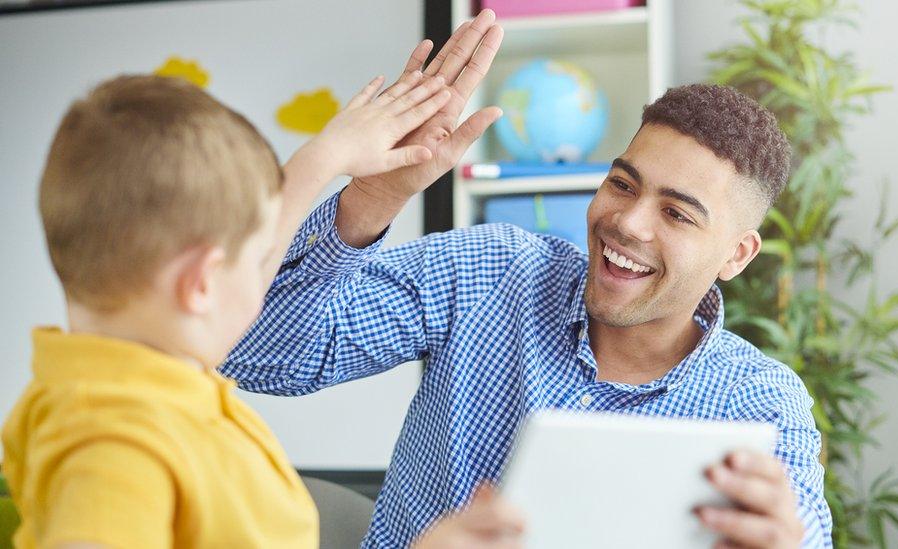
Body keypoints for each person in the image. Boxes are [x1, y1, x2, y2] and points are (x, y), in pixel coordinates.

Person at [224, 9, 834, 547]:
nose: (626, 223)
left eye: (676, 213)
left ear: (736, 254)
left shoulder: (759, 406)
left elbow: (801, 533)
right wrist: (370, 199)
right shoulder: (493, 272)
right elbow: (256, 355)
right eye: (622, 184)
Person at [1, 67, 524, 548]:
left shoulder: (119, 377)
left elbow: (245, 235)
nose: (270, 273)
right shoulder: (116, 444)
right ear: (200, 284)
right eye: (261, 262)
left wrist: (327, 157)